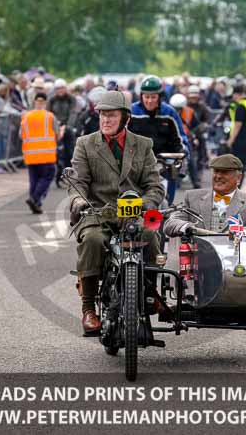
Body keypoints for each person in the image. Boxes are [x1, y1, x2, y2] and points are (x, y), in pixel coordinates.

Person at [69, 91, 165, 335]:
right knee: (91, 240)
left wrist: (146, 204)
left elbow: (154, 185)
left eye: (111, 115)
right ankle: (88, 309)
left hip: (134, 213)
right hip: (98, 212)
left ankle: (151, 293)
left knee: (151, 234)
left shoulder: (143, 145)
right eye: (102, 115)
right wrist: (79, 201)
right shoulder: (85, 144)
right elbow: (78, 183)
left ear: (126, 118)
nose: (105, 120)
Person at [164, 154, 246, 237]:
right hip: (198, 258)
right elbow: (170, 223)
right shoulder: (192, 197)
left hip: (235, 259)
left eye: (224, 172)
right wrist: (187, 228)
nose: (218, 176)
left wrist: (241, 231)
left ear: (238, 178)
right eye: (216, 171)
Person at [129, 75, 187, 203]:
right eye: (146, 97)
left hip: (163, 162)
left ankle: (166, 210)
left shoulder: (169, 113)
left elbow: (181, 137)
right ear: (141, 97)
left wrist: (183, 150)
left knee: (169, 194)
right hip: (136, 163)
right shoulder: (131, 112)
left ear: (160, 97)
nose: (149, 101)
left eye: (153, 97)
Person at [20, 93, 58, 214]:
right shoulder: (50, 116)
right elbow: (57, 133)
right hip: (46, 154)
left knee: (34, 180)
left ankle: (36, 204)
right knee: (48, 176)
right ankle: (35, 199)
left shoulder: (26, 117)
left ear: (34, 102)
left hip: (30, 154)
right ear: (45, 103)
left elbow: (20, 135)